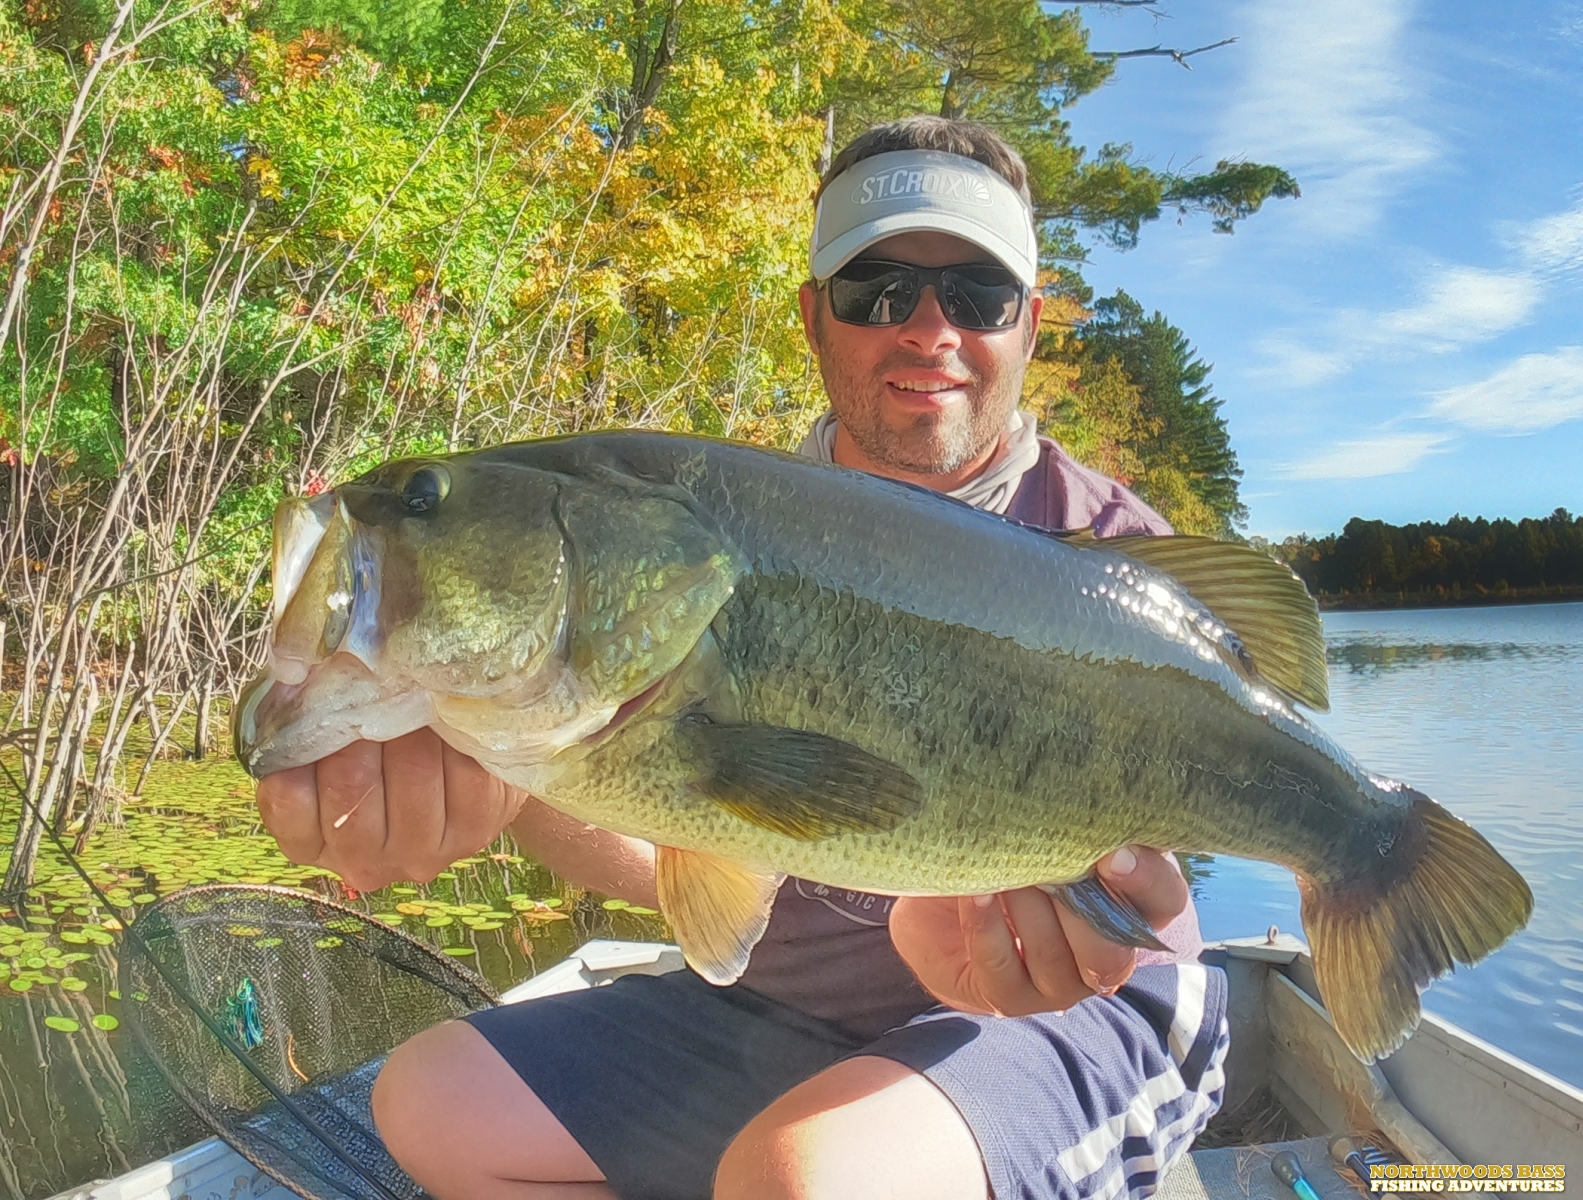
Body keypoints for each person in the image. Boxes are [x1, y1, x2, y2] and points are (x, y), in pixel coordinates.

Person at [256, 116, 1229, 1200]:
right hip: (778, 1015)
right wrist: (508, 767)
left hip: (1082, 1005)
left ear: (1028, 325)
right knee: (433, 1102)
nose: (926, 328)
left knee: (806, 1177)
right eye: (875, 288)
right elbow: (713, 848)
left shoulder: (1118, 569)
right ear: (813, 318)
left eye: (975, 294)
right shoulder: (716, 521)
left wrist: (1082, 921)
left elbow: (1165, 847)